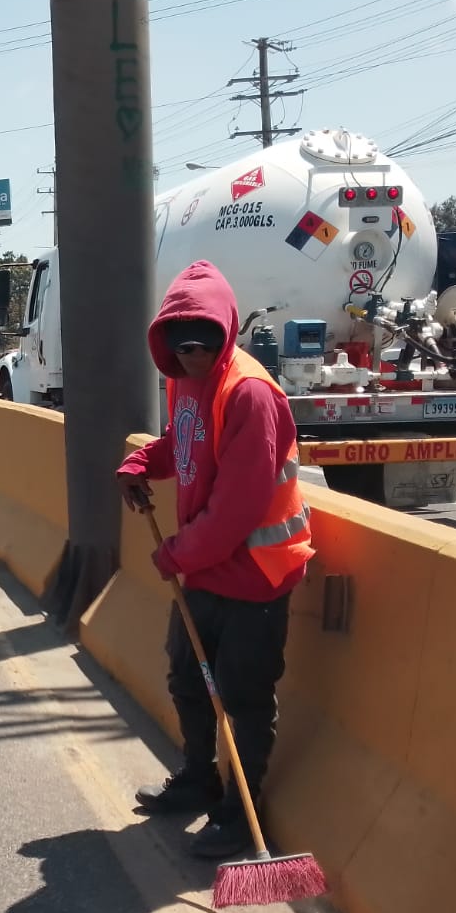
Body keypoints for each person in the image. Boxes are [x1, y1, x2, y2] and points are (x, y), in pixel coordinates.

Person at [116, 260, 314, 860]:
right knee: (187, 679)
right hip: (203, 571)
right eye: (179, 346)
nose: (192, 356)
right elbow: (184, 443)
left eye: (202, 344)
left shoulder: (250, 394)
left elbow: (237, 509)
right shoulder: (183, 379)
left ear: (225, 334)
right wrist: (140, 463)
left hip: (255, 576)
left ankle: (238, 812)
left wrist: (177, 552)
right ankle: (197, 778)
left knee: (244, 696)